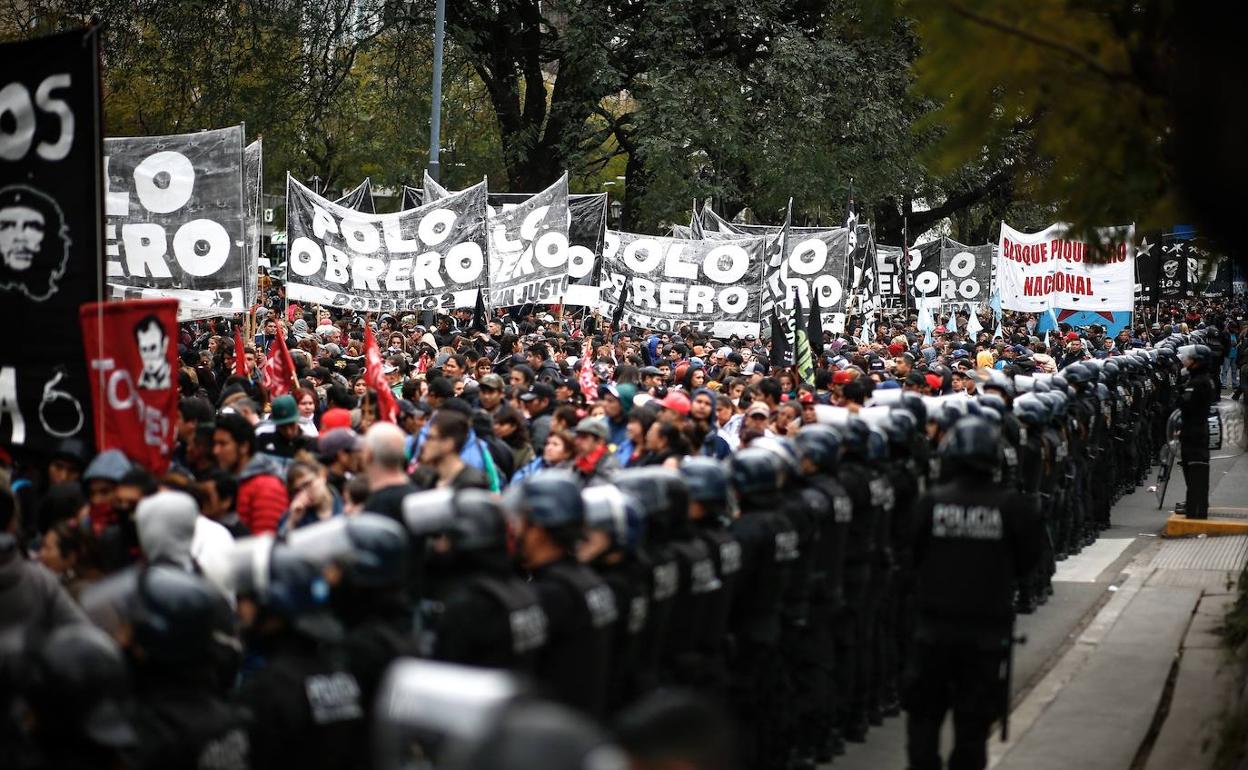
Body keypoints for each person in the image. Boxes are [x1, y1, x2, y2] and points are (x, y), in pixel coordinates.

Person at [905, 417, 1043, 770]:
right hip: (986, 630)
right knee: (972, 727)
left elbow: (910, 556)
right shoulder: (1013, 507)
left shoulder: (931, 502)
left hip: (933, 629)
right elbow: (1029, 562)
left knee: (924, 719)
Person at [509, 471, 617, 717]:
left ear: (538, 529)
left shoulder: (552, 593)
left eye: (522, 521)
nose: (516, 531)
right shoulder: (590, 580)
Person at [213, 413, 288, 535]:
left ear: (244, 447)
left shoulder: (267, 487)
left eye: (223, 444)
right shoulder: (225, 480)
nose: (216, 451)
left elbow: (264, 541)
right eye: (215, 444)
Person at [1177, 344, 1216, 519]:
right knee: (1194, 471)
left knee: (1195, 471)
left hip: (1194, 433)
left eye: (1190, 359)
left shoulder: (1198, 383)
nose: (1186, 361)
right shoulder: (1203, 379)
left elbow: (1187, 407)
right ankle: (1196, 505)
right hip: (1196, 431)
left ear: (1197, 362)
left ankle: (1196, 509)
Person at [414, 411, 491, 490]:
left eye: (430, 438)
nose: (423, 444)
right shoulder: (424, 477)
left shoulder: (473, 483)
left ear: (448, 444)